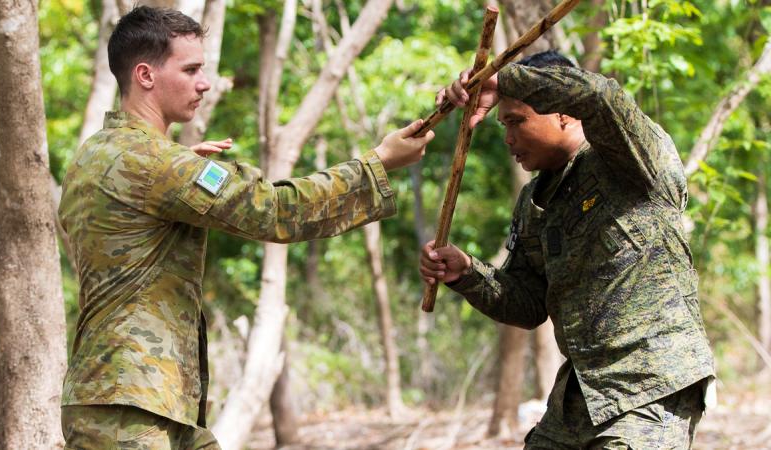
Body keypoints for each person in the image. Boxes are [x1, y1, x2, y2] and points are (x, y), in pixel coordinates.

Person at [59, 6, 434, 449]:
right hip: (131, 406)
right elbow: (273, 210)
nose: (205, 82)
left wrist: (180, 171)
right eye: (192, 69)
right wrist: (376, 165)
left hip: (129, 397)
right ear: (145, 75)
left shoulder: (97, 153)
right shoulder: (153, 162)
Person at [419, 50, 715, 449]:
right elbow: (527, 304)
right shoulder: (534, 199)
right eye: (504, 124)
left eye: (517, 121)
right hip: (579, 395)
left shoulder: (629, 159)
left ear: (563, 113)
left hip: (650, 389)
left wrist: (503, 80)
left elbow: (600, 97)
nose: (508, 138)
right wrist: (467, 273)